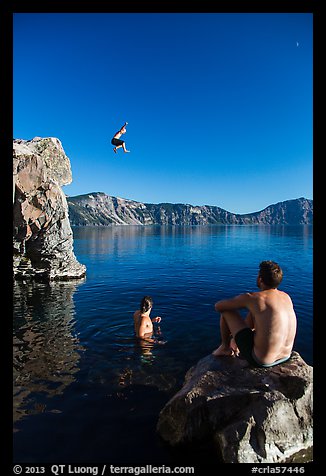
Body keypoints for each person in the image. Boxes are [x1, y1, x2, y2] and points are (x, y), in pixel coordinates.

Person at [212, 260, 297, 368]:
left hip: (261, 360)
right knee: (256, 312)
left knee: (227, 311)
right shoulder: (286, 297)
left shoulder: (255, 298)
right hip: (285, 356)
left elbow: (218, 306)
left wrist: (244, 301)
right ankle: (236, 343)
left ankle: (225, 348)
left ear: (260, 279)